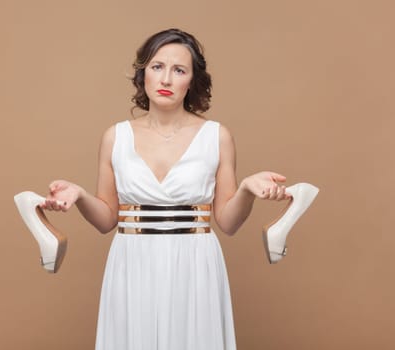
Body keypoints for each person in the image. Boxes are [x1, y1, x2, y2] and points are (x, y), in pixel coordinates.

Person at [41, 28, 291, 350]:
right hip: (132, 263)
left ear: (192, 81)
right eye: (157, 67)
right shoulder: (115, 137)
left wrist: (245, 189)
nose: (166, 79)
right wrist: (78, 195)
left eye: (179, 70)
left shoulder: (217, 136)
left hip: (195, 263)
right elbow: (106, 220)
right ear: (143, 73)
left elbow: (227, 223)